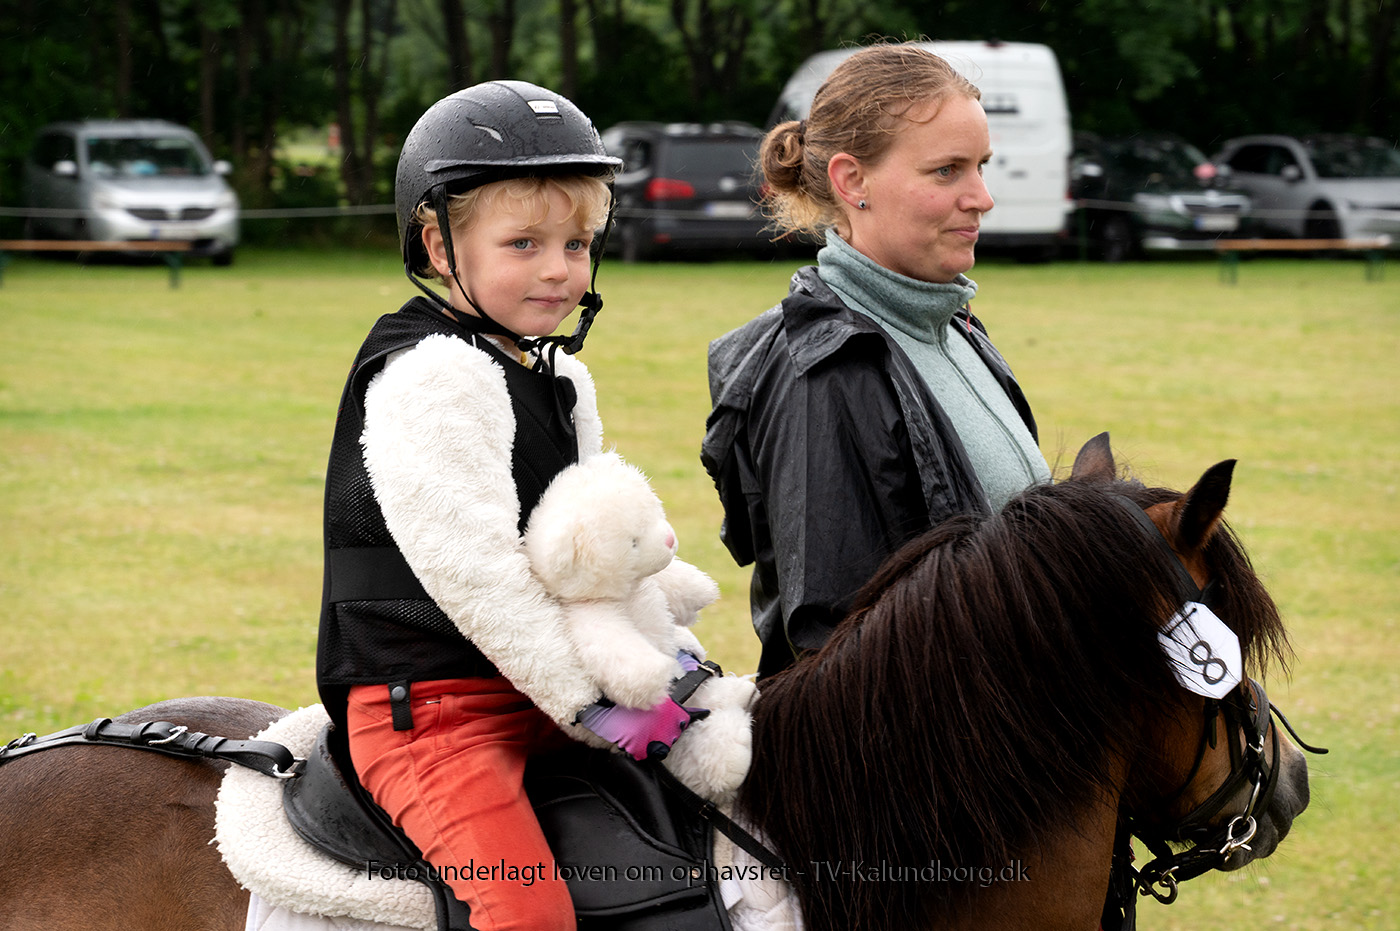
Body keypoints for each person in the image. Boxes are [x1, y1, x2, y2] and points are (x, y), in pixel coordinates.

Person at [314, 81, 700, 931]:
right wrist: (600, 706)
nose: (559, 269)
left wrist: (676, 657)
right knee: (528, 915)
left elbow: (595, 554)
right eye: (524, 243)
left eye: (577, 243)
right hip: (433, 712)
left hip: (539, 691)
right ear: (439, 244)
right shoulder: (432, 377)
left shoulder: (562, 378)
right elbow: (480, 579)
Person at [701, 43, 1051, 679]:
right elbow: (839, 654)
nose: (982, 197)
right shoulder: (824, 370)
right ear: (852, 181)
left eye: (981, 167)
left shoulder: (954, 327)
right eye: (946, 171)